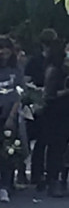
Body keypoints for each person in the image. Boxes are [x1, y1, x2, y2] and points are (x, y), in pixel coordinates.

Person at [0, 35, 24, 203]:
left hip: (9, 113)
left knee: (8, 149)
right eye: (2, 53)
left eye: (7, 53)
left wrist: (12, 116)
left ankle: (5, 185)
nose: (4, 57)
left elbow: (18, 94)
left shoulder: (16, 69)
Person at [24, 29, 58, 188]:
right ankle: (41, 174)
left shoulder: (40, 61)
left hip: (49, 103)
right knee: (43, 140)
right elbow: (27, 82)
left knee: (42, 141)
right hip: (40, 103)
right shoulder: (39, 61)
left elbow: (26, 81)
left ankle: (39, 174)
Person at [41, 39, 69, 197]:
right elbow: (49, 94)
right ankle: (52, 180)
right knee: (57, 148)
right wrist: (66, 91)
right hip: (58, 114)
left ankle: (62, 179)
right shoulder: (55, 70)